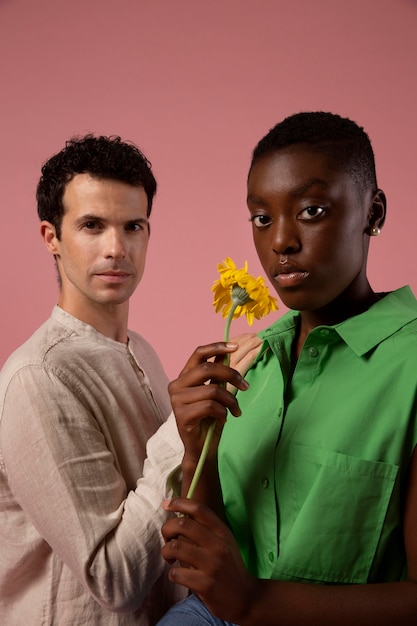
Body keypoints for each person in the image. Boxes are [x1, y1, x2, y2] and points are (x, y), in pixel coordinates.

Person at [156, 112, 417, 625]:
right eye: (262, 218)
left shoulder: (410, 368)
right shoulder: (251, 361)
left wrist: (255, 601)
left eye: (312, 210)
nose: (280, 242)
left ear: (374, 212)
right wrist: (195, 450)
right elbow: (210, 567)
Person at [0, 134, 192, 625]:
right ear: (51, 237)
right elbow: (115, 579)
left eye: (133, 226)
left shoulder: (140, 350)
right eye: (92, 225)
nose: (116, 248)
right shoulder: (38, 377)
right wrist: (183, 430)